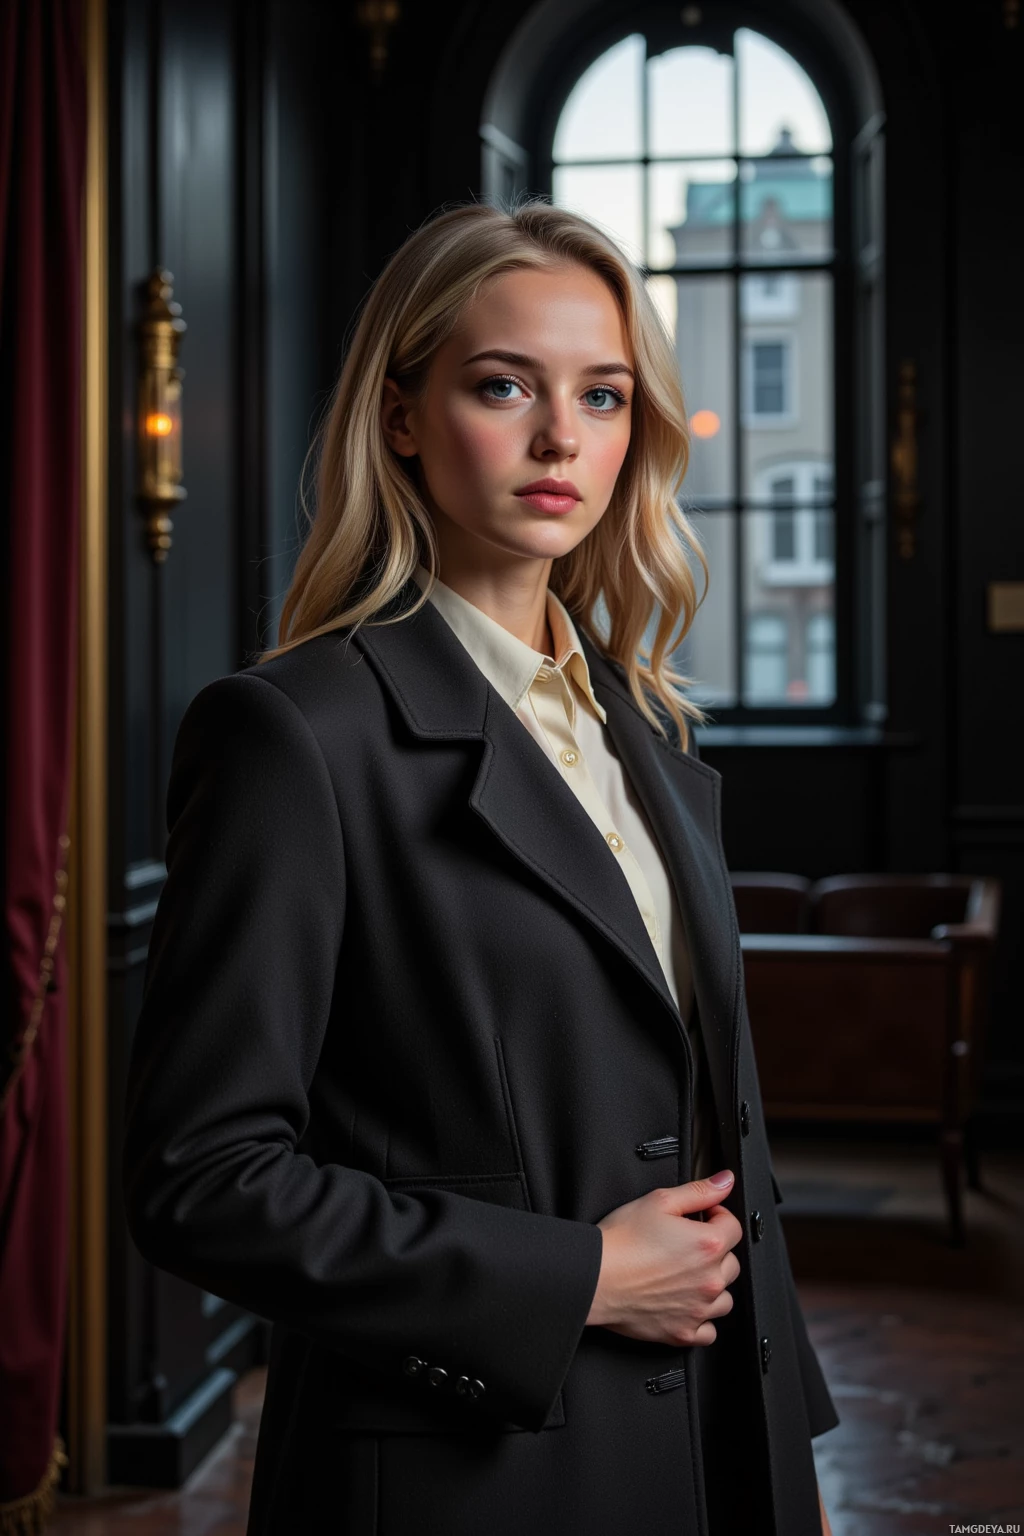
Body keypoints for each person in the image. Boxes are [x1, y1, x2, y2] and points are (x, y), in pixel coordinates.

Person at [123, 198, 838, 1535]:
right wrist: (574, 1276)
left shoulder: (640, 724)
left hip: (721, 1450)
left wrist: (776, 1441)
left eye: (606, 395)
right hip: (468, 1476)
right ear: (400, 415)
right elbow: (201, 1178)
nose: (563, 437)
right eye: (504, 385)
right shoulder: (295, 733)